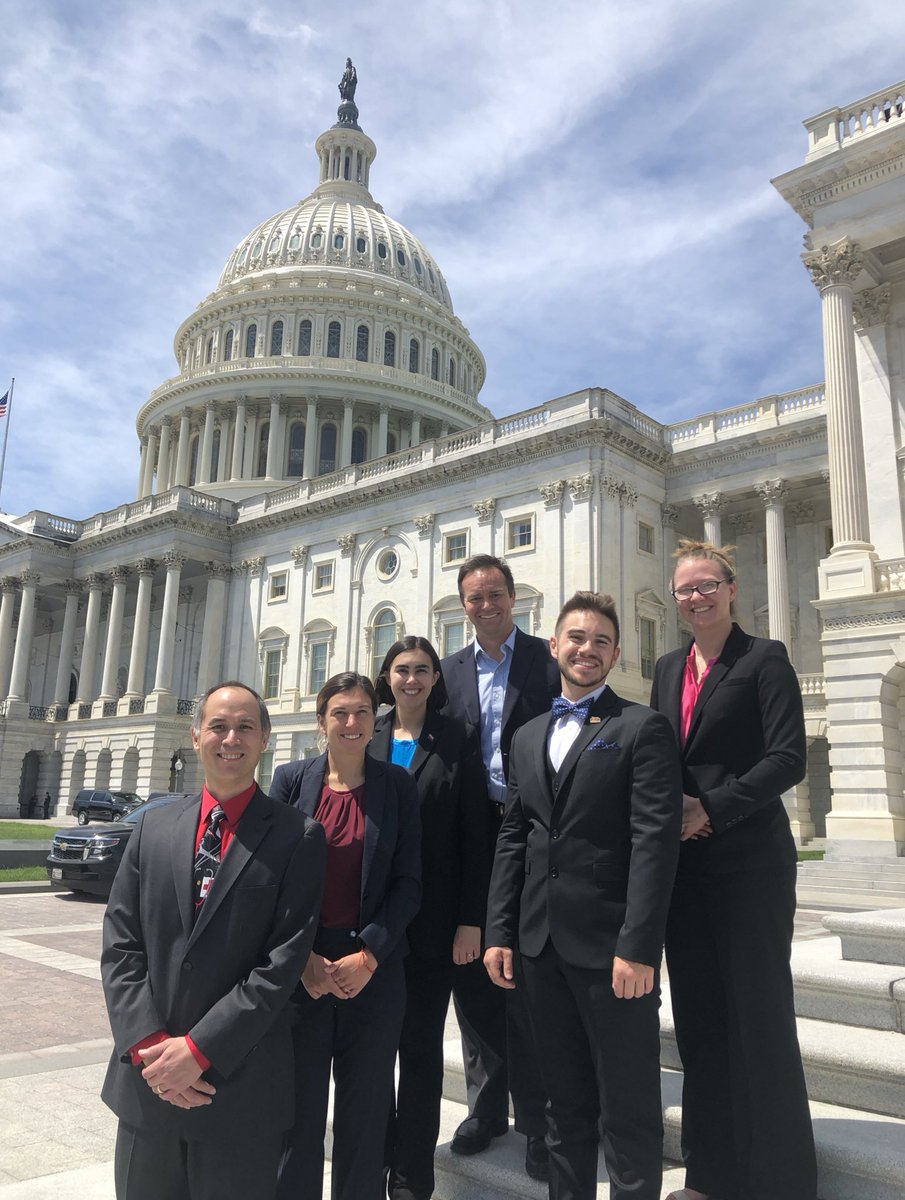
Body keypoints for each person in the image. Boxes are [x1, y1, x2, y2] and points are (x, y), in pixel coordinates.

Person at [484, 591, 682, 1200]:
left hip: (613, 950)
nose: (587, 649)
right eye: (577, 637)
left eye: (600, 640)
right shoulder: (526, 735)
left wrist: (641, 946)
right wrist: (499, 930)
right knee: (561, 1108)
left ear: (616, 652)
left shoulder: (640, 727)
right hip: (540, 946)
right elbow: (514, 836)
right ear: (555, 646)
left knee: (626, 1107)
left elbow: (655, 841)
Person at [100, 682, 326, 1200]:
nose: (231, 738)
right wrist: (152, 1048)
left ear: (265, 739)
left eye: (246, 726)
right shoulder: (152, 828)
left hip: (239, 1088)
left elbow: (281, 965)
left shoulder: (299, 837)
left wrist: (199, 1051)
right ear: (197, 733)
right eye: (219, 725)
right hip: (148, 1084)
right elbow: (121, 944)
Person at [650, 539, 818, 1200]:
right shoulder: (667, 667)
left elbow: (786, 758)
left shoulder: (763, 659)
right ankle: (709, 1174)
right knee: (698, 1023)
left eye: (706, 585)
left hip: (749, 864)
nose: (696, 597)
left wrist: (709, 809)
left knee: (757, 1017)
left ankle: (780, 1181)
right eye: (685, 588)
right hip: (686, 873)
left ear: (731, 588)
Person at [271, 672, 421, 1200]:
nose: (352, 722)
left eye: (362, 712)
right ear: (322, 721)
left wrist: (371, 953)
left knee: (365, 1109)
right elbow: (273, 880)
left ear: (375, 719)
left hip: (372, 969)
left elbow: (409, 882)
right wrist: (303, 956)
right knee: (298, 1110)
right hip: (302, 968)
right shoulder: (291, 781)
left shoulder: (398, 786)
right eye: (340, 712)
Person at [440, 553, 559, 1180]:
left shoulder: (545, 659)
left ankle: (540, 1123)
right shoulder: (450, 670)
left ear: (513, 599)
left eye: (494, 595)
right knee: (474, 976)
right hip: (471, 831)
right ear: (463, 605)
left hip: (534, 826)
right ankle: (486, 1109)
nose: (484, 605)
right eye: (473, 597)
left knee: (529, 974)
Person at [370, 636, 491, 1200]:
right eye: (402, 670)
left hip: (436, 925)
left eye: (422, 670)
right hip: (367, 926)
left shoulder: (459, 738)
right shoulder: (363, 735)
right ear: (386, 677)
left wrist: (473, 919)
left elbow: (475, 834)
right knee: (370, 1058)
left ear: (436, 677)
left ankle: (410, 1178)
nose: (412, 680)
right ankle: (367, 1164)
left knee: (418, 1056)